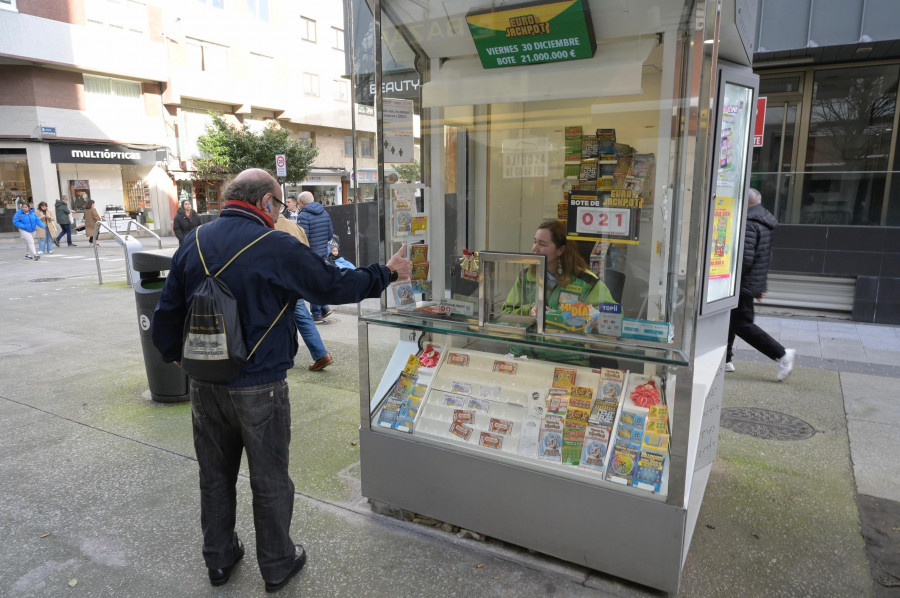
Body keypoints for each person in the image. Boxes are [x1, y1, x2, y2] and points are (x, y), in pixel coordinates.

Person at [150, 168, 409, 593]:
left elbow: (167, 313)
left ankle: (218, 559)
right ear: (266, 203)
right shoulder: (274, 245)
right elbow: (330, 284)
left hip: (205, 383)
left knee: (214, 474)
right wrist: (387, 273)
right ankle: (276, 563)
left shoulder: (192, 241)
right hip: (259, 384)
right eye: (278, 204)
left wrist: (174, 356)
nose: (280, 212)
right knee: (269, 478)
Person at [726, 188, 796, 381]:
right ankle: (725, 360)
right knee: (729, 318)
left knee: (741, 323)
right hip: (751, 281)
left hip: (741, 283)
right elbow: (763, 256)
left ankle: (782, 354)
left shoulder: (749, 223)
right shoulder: (765, 221)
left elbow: (746, 260)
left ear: (744, 203)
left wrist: (724, 275)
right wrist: (760, 285)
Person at [504, 220, 616, 321]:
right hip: (531, 342)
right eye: (535, 242)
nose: (535, 248)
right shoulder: (526, 276)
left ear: (561, 250)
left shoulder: (587, 281)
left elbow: (613, 315)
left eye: (542, 244)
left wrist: (574, 315)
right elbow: (506, 312)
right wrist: (529, 310)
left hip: (567, 342)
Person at [273, 211, 335, 372]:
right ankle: (321, 354)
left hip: (276, 280)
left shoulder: (265, 226)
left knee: (275, 318)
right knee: (302, 316)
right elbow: (307, 250)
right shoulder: (294, 226)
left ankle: (281, 356)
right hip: (295, 279)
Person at [297, 191, 334, 322]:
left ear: (302, 202)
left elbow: (302, 237)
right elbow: (330, 234)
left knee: (312, 283)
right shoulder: (324, 213)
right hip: (323, 252)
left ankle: (316, 313)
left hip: (311, 254)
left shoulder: (304, 215)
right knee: (318, 280)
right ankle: (324, 307)